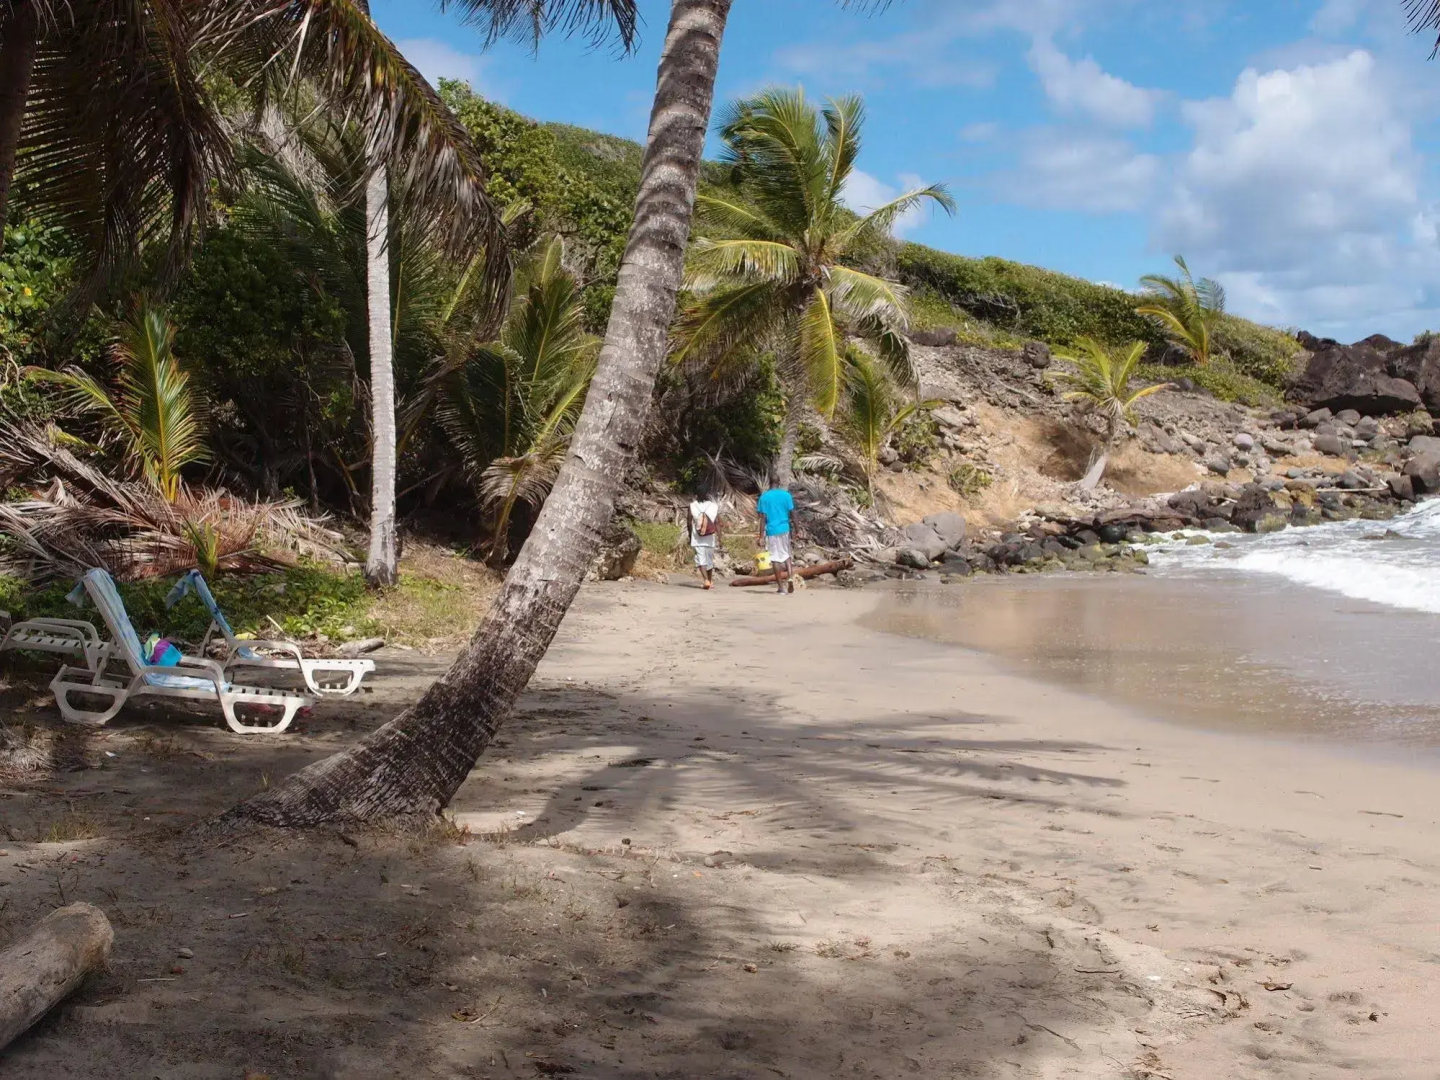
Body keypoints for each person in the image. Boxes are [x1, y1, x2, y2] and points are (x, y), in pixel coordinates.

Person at [755, 477, 796, 594]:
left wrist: (761, 536)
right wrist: (797, 529)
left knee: (775, 559)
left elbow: (763, 519)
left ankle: (781, 588)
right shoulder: (786, 495)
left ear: (769, 483)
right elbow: (793, 512)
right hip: (785, 529)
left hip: (772, 531)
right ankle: (790, 577)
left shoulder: (764, 497)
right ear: (779, 483)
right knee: (787, 555)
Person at [688, 490, 722, 590]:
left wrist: (690, 536)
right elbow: (717, 522)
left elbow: (689, 522)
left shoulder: (692, 506)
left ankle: (706, 580)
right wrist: (720, 538)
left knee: (701, 559)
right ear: (708, 494)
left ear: (696, 495)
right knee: (709, 560)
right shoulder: (713, 506)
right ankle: (710, 581)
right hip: (710, 538)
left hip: (697, 537)